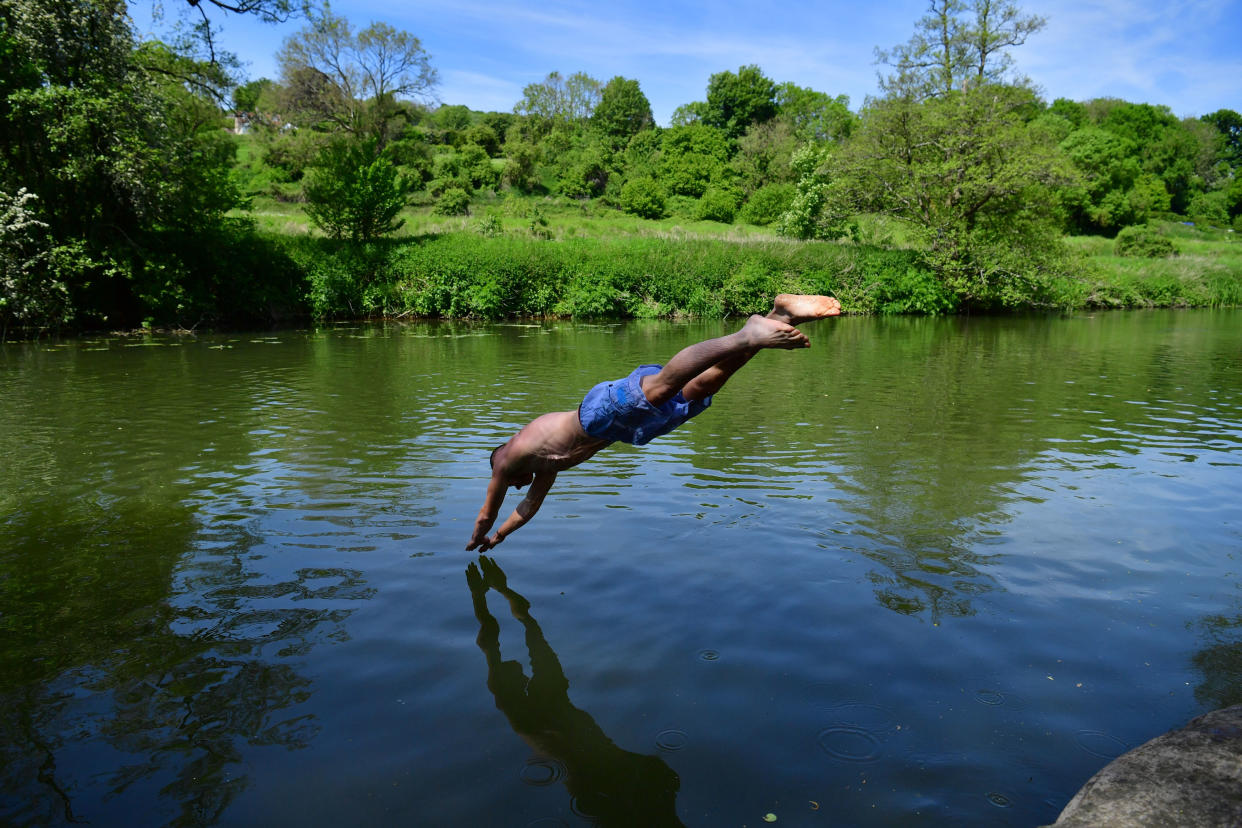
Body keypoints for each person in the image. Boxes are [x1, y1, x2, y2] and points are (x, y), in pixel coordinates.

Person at [466, 294, 841, 551]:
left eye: (511, 485)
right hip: (624, 429)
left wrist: (477, 534)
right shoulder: (542, 467)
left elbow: (488, 509)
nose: (516, 487)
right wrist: (499, 537)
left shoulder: (506, 458)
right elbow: (530, 506)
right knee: (702, 386)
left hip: (598, 414)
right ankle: (780, 315)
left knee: (663, 387)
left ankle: (746, 333)